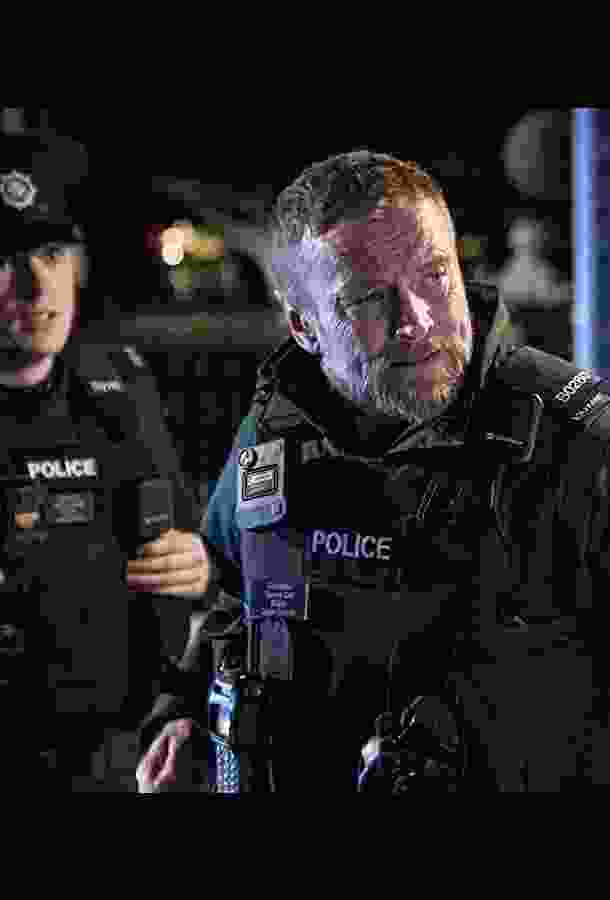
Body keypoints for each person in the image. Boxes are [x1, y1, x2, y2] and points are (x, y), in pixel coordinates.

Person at [137, 150, 610, 793]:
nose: (417, 320)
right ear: (304, 326)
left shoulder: (576, 444)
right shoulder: (276, 430)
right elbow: (233, 600)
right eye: (368, 298)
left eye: (434, 275)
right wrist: (184, 714)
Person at [0, 131, 210, 791]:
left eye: (52, 254)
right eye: (4, 260)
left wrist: (201, 561)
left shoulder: (117, 383)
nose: (38, 285)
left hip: (119, 756)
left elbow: (183, 540)